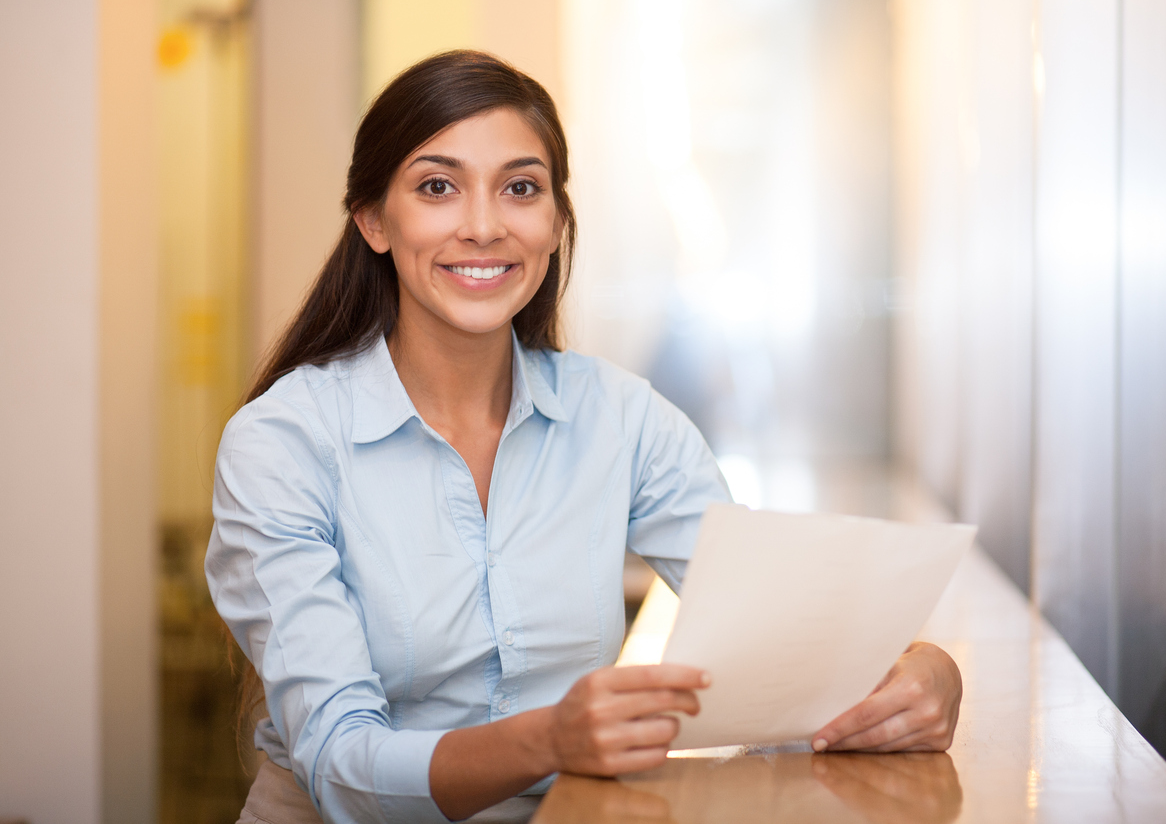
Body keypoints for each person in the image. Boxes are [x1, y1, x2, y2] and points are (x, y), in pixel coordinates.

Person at [206, 50, 962, 824]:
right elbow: (342, 768)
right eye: (438, 187)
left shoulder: (622, 419)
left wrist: (923, 670)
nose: (483, 225)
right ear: (372, 220)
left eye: (521, 188)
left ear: (557, 221)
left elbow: (783, 627)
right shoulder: (282, 444)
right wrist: (549, 741)